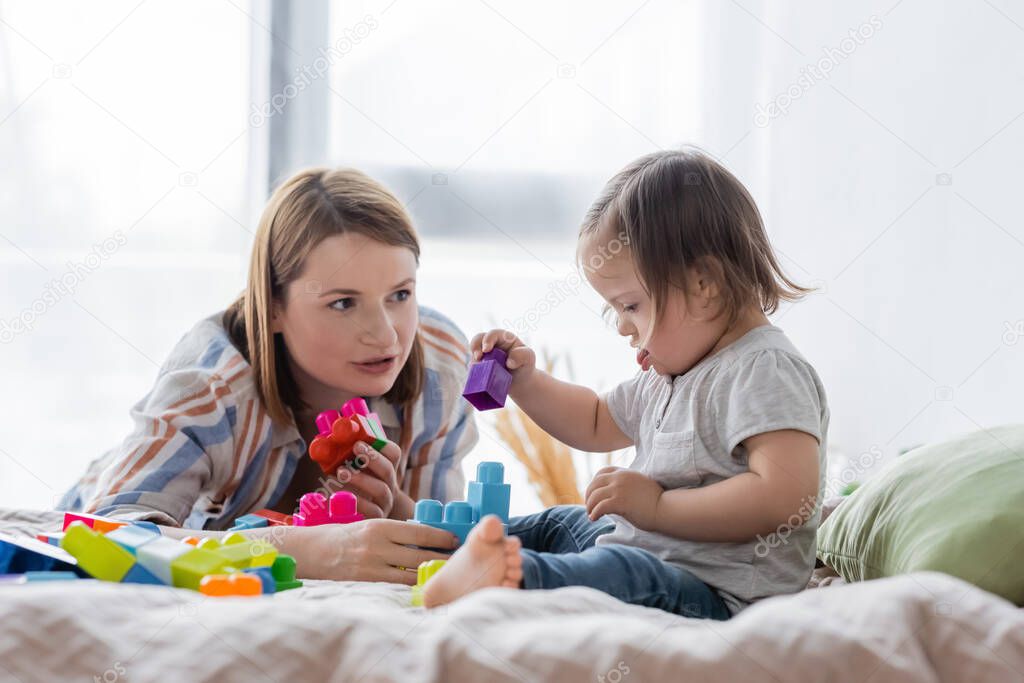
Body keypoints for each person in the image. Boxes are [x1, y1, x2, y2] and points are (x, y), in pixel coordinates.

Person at [423, 149, 830, 618]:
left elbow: (787, 496)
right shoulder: (675, 370)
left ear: (704, 283)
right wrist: (526, 382)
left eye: (631, 306)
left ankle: (506, 578)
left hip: (711, 594)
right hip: (647, 552)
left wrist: (658, 508)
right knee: (566, 522)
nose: (621, 326)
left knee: (618, 571)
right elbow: (595, 421)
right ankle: (444, 553)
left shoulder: (765, 370)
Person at [58, 168, 477, 583]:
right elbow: (111, 535)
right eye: (344, 303)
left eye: (400, 295)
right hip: (93, 503)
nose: (387, 334)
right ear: (273, 306)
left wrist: (392, 506)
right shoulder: (211, 385)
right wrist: (300, 550)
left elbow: (439, 553)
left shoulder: (439, 370)